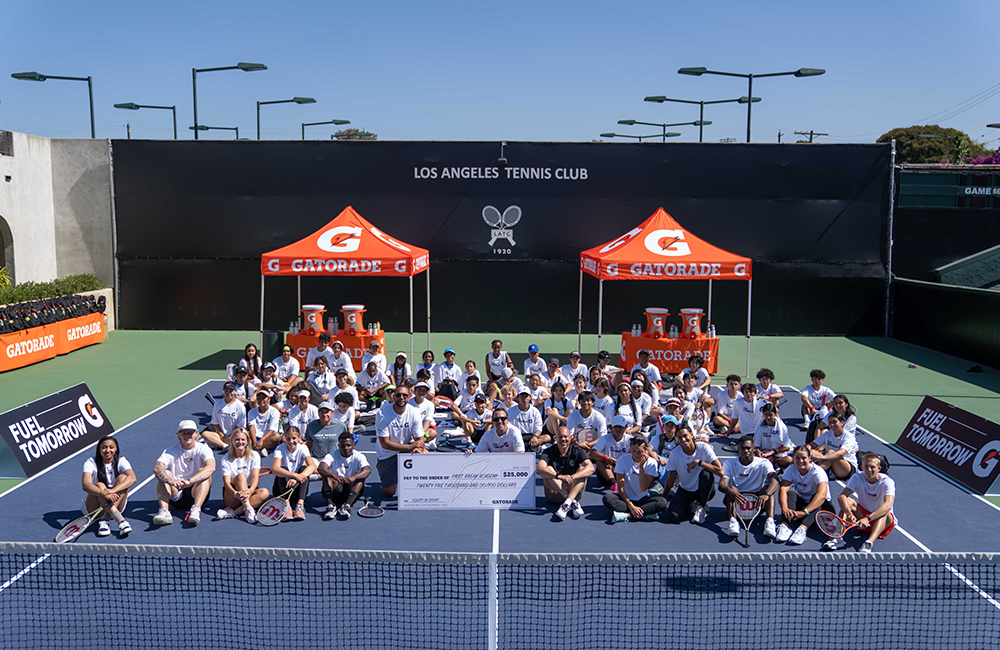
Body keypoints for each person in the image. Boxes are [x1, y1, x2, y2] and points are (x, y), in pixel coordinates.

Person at [153, 420, 216, 526]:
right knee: (164, 475)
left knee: (204, 473)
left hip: (196, 492)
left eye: (190, 432)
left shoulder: (203, 449)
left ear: (196, 433)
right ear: (179, 435)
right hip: (176, 494)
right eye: (184, 433)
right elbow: (157, 469)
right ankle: (165, 511)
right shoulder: (170, 451)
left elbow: (211, 467)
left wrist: (189, 481)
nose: (187, 435)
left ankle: (196, 509)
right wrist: (172, 481)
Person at [832, 453, 896, 553]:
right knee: (847, 501)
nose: (869, 470)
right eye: (866, 466)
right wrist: (849, 513)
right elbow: (842, 496)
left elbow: (888, 505)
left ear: (879, 468)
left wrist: (868, 518)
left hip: (882, 521)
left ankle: (869, 543)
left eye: (872, 467)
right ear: (862, 467)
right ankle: (837, 535)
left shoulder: (887, 482)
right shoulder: (857, 477)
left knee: (884, 513)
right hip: (862, 517)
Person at [719, 435, 780, 539]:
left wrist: (766, 494)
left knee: (769, 489)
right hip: (738, 499)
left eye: (748, 448)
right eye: (743, 448)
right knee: (731, 489)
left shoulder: (764, 463)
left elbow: (775, 481)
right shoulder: (729, 463)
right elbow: (722, 485)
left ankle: (770, 522)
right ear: (738, 449)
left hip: (758, 501)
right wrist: (729, 490)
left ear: (754, 449)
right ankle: (733, 521)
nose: (746, 451)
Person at [375, 384, 427, 501]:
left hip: (405, 450)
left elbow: (420, 438)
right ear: (393, 396)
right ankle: (391, 474)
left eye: (405, 395)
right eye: (398, 395)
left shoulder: (414, 412)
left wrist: (419, 447)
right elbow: (385, 443)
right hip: (387, 454)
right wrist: (411, 446)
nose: (401, 397)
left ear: (409, 397)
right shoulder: (382, 413)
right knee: (389, 492)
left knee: (424, 454)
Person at [663, 426, 723, 525]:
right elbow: (671, 478)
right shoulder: (675, 454)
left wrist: (700, 463)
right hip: (685, 490)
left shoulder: (704, 448)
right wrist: (663, 497)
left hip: (704, 490)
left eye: (685, 436)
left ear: (692, 435)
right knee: (673, 516)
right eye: (679, 437)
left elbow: (721, 472)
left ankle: (702, 506)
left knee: (706, 474)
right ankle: (692, 505)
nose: (683, 439)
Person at [602, 434, 668, 523]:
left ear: (645, 451)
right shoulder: (622, 460)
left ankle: (628, 515)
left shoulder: (652, 463)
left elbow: (643, 488)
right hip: (625, 499)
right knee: (607, 498)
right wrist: (632, 507)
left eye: (639, 452)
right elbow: (621, 488)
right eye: (633, 451)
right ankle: (644, 513)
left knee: (662, 502)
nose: (636, 454)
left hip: (643, 499)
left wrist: (641, 468)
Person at [777, 445, 835, 545]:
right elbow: (783, 489)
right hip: (804, 505)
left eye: (804, 458)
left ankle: (802, 529)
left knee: (816, 498)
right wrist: (785, 508)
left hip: (822, 507)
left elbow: (821, 495)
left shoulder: (817, 471)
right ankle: (785, 525)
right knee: (791, 493)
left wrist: (805, 512)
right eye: (797, 458)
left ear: (809, 458)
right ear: (793, 459)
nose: (800, 461)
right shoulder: (791, 470)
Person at [82, 435, 136, 537]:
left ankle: (105, 520)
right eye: (104, 447)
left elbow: (133, 478)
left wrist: (113, 490)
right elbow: (86, 485)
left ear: (116, 449)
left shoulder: (121, 460)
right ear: (99, 449)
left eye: (111, 447)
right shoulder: (90, 463)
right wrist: (104, 494)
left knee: (123, 478)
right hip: (94, 509)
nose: (108, 450)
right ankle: (121, 521)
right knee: (99, 485)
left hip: (116, 503)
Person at [537, 426, 595, 520]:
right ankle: (572, 502)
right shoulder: (548, 452)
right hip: (554, 493)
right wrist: (559, 477)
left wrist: (573, 477)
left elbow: (591, 468)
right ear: (555, 437)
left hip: (574, 491)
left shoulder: (577, 451)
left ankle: (567, 504)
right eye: (560, 437)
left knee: (582, 470)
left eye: (566, 437)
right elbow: (539, 469)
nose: (563, 439)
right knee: (548, 469)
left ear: (570, 437)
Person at [216, 427, 269, 523]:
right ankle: (248, 508)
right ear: (232, 441)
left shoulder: (255, 455)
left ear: (247, 441)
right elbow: (226, 483)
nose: (240, 442)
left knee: (265, 493)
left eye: (243, 439)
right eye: (237, 439)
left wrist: (250, 490)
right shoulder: (225, 459)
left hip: (248, 493)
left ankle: (233, 513)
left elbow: (255, 477)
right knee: (241, 476)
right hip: (233, 495)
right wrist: (236, 494)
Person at [317, 430, 371, 520]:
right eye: (343, 446)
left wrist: (353, 477)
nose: (346, 448)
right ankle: (330, 505)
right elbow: (321, 468)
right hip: (336, 490)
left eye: (349, 445)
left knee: (360, 476)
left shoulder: (359, 456)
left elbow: (367, 470)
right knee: (326, 475)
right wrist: (334, 476)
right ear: (339, 446)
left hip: (350, 490)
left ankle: (347, 506)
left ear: (353, 445)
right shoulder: (332, 455)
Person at [271, 427, 316, 521]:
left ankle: (300, 505)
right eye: (288, 438)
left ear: (299, 438)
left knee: (304, 469)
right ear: (285, 438)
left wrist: (297, 478)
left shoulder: (303, 448)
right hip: (281, 489)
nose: (291, 441)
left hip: (297, 487)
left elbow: (312, 466)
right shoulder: (280, 449)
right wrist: (294, 475)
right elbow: (275, 469)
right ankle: (286, 504)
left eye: (294, 438)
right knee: (282, 469)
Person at [809, 412, 858, 480]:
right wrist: (806, 451)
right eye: (830, 422)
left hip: (846, 466)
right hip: (830, 462)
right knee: (811, 452)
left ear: (842, 422)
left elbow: (841, 453)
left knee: (831, 452)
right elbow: (812, 445)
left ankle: (812, 473)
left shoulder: (848, 437)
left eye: (834, 422)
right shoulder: (827, 434)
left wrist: (821, 458)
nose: (832, 425)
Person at [588, 414, 633, 487]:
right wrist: (605, 458)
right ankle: (614, 484)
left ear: (625, 428)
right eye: (616, 427)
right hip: (608, 470)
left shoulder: (630, 440)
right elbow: (592, 453)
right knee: (600, 461)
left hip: (624, 469)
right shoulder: (605, 438)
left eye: (620, 427)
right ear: (611, 428)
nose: (618, 429)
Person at [202, 381, 248, 451]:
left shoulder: (240, 406)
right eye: (226, 391)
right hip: (221, 436)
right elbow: (216, 423)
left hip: (235, 434)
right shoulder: (217, 404)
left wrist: (230, 436)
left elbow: (240, 426)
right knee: (205, 434)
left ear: (235, 391)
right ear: (223, 392)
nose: (229, 393)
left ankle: (218, 444)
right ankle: (226, 446)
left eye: (231, 391)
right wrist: (222, 436)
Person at [304, 401, 349, 470]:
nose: (324, 414)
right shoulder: (311, 426)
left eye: (327, 412)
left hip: (334, 459)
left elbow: (345, 443)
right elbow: (309, 445)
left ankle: (323, 474)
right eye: (322, 412)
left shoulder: (340, 425)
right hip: (317, 459)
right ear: (318, 413)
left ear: (332, 413)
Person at [753, 403, 793, 469]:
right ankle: (770, 462)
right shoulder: (759, 427)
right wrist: (759, 452)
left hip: (778, 455)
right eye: (766, 414)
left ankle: (769, 462)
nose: (768, 417)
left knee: (788, 460)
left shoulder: (782, 426)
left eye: (770, 415)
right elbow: (756, 446)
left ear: (774, 414)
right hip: (764, 454)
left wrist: (771, 453)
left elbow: (787, 447)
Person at [508, 387, 546, 452]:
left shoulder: (535, 411)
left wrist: (535, 437)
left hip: (531, 437)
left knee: (547, 437)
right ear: (518, 398)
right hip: (517, 437)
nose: (524, 399)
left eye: (526, 396)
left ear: (530, 397)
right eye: (522, 396)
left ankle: (533, 445)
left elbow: (539, 427)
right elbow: (509, 427)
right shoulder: (511, 411)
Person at [247, 389, 282, 455]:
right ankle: (260, 448)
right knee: (244, 436)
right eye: (259, 398)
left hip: (268, 438)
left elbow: (271, 430)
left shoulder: (274, 412)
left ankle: (255, 449)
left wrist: (261, 440)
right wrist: (254, 442)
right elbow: (252, 428)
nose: (261, 400)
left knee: (277, 437)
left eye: (264, 398)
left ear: (269, 399)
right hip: (255, 437)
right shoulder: (251, 412)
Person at [409, 381, 438, 446]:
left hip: (423, 429)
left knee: (433, 433)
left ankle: (418, 442)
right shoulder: (408, 403)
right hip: (411, 429)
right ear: (415, 391)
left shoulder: (430, 404)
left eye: (424, 390)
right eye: (419, 390)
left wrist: (421, 433)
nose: (421, 392)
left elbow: (427, 421)